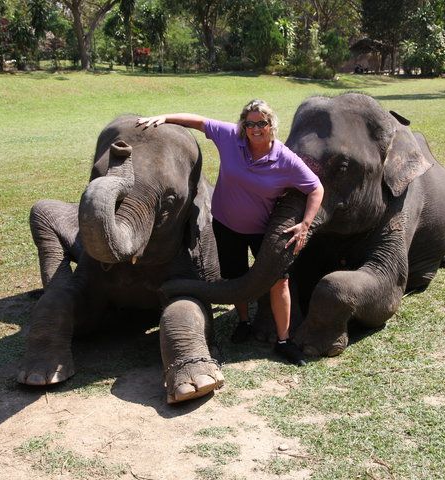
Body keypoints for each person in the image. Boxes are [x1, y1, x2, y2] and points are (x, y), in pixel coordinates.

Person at [136, 100, 324, 366]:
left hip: (262, 231)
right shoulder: (230, 138)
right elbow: (198, 121)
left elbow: (315, 188)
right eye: (250, 123)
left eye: (262, 123)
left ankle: (284, 341)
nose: (255, 129)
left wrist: (306, 223)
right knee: (234, 276)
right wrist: (163, 117)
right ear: (242, 126)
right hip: (225, 225)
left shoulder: (285, 159)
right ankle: (244, 322)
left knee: (279, 281)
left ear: (271, 126)